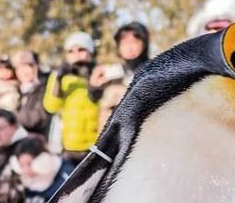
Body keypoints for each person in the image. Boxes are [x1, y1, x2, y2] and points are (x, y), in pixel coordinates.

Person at [43, 31, 101, 167]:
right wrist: (58, 78)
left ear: (90, 52)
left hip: (96, 146)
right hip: (69, 148)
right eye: (71, 51)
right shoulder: (59, 76)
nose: (76, 55)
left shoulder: (98, 73)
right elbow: (51, 107)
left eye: (81, 49)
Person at [93, 21, 151, 128]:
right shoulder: (112, 73)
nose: (129, 47)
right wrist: (94, 86)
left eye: (134, 42)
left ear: (144, 44)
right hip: (111, 137)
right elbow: (93, 99)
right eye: (123, 43)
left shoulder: (153, 71)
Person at [10, 134, 70, 203]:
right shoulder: (27, 183)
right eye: (22, 165)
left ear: (43, 158)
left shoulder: (66, 174)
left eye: (29, 164)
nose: (26, 171)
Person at [11, 48, 51, 138]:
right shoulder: (18, 92)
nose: (23, 72)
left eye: (26, 67)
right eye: (19, 68)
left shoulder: (43, 89)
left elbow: (35, 119)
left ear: (35, 68)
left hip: (38, 142)